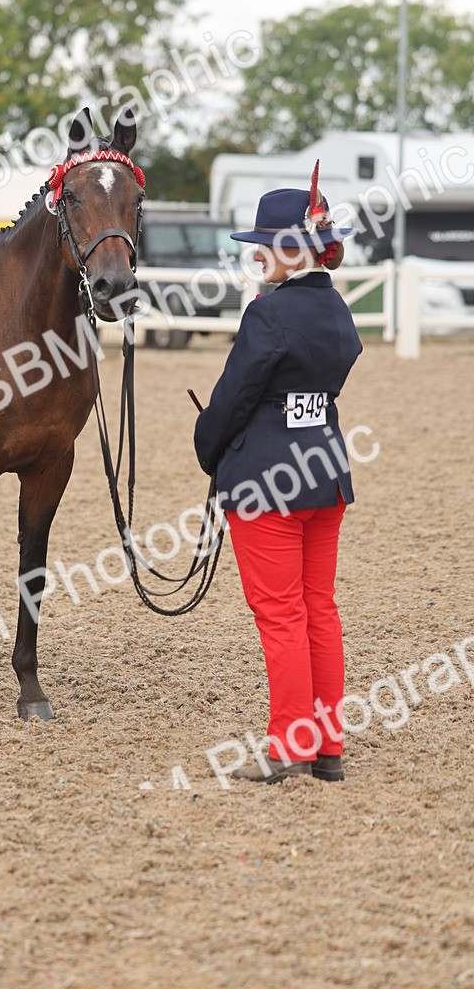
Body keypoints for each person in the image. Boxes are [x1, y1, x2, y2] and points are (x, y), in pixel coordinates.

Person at [194, 163, 362, 785]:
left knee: (282, 616)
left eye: (267, 243)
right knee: (318, 607)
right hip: (326, 476)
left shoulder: (268, 315)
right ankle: (327, 743)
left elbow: (234, 398)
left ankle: (289, 744)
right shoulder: (338, 312)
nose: (260, 253)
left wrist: (208, 446)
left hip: (268, 483)